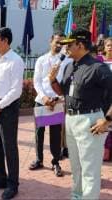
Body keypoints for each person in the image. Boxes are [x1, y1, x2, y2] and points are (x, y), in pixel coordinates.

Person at [49, 28, 112, 199]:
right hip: (71, 120)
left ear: (81, 44)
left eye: (70, 44)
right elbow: (63, 91)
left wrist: (106, 121)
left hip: (90, 121)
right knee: (76, 167)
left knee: (89, 169)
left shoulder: (99, 68)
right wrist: (52, 80)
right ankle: (77, 196)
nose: (66, 48)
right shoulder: (70, 66)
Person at [0, 27, 24, 200]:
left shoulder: (15, 60)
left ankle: (12, 184)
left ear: (5, 41)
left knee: (9, 147)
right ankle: (0, 178)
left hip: (6, 108)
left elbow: (16, 90)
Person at [29, 32, 70, 177]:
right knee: (39, 132)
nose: (59, 45)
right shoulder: (41, 60)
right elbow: (37, 81)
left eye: (62, 43)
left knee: (55, 135)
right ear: (50, 41)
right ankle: (39, 159)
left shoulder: (67, 62)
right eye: (57, 42)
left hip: (57, 102)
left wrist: (57, 99)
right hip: (41, 101)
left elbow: (65, 85)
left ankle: (55, 162)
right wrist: (44, 97)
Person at [102, 37, 112, 161]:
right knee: (104, 123)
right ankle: (105, 153)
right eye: (108, 45)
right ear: (104, 47)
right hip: (103, 98)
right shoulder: (99, 61)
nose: (110, 47)